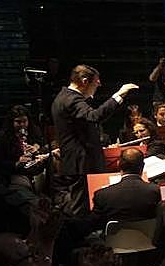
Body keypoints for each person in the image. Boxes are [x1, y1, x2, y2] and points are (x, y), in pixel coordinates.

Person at [52, 64, 139, 214]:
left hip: (77, 161)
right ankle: (80, 235)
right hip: (81, 162)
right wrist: (119, 95)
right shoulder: (71, 99)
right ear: (85, 81)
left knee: (83, 204)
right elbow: (94, 116)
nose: (99, 84)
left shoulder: (64, 97)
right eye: (96, 81)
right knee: (80, 207)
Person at [92, 147, 161, 224]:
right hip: (148, 235)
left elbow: (94, 223)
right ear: (143, 165)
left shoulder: (102, 195)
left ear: (118, 164)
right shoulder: (155, 191)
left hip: (115, 236)